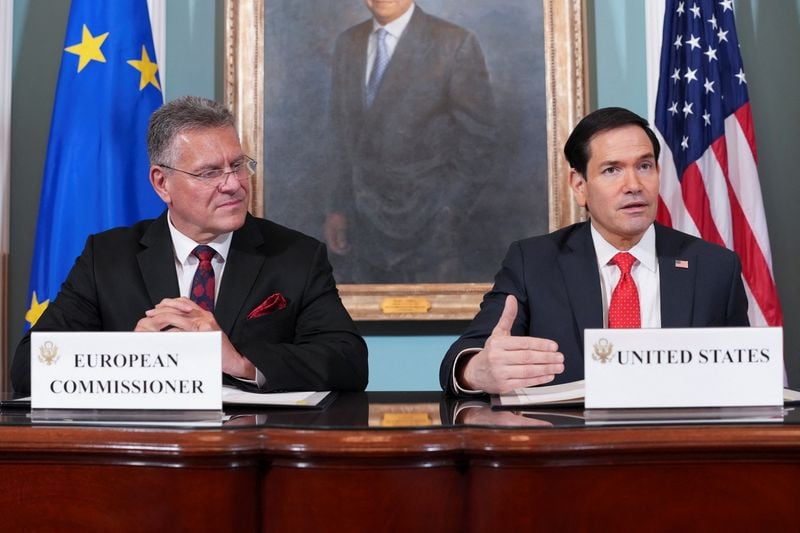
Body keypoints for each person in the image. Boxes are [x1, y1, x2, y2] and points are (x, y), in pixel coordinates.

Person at [12, 96, 368, 395]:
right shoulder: (106, 258)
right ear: (162, 183)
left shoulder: (296, 256)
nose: (233, 184)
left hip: (250, 448)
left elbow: (349, 362)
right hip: (143, 450)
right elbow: (29, 366)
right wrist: (131, 357)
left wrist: (239, 362)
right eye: (209, 172)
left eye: (238, 165)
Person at [440, 107, 749, 396]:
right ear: (579, 186)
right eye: (612, 170)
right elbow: (462, 357)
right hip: (569, 435)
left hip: (679, 435)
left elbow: (745, 375)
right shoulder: (532, 263)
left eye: (644, 166)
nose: (634, 185)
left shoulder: (714, 267)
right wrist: (478, 370)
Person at [324, 0, 497, 282]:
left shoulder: (454, 43)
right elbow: (340, 136)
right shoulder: (348, 43)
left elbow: (479, 141)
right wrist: (338, 209)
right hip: (361, 228)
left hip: (429, 230)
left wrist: (447, 213)